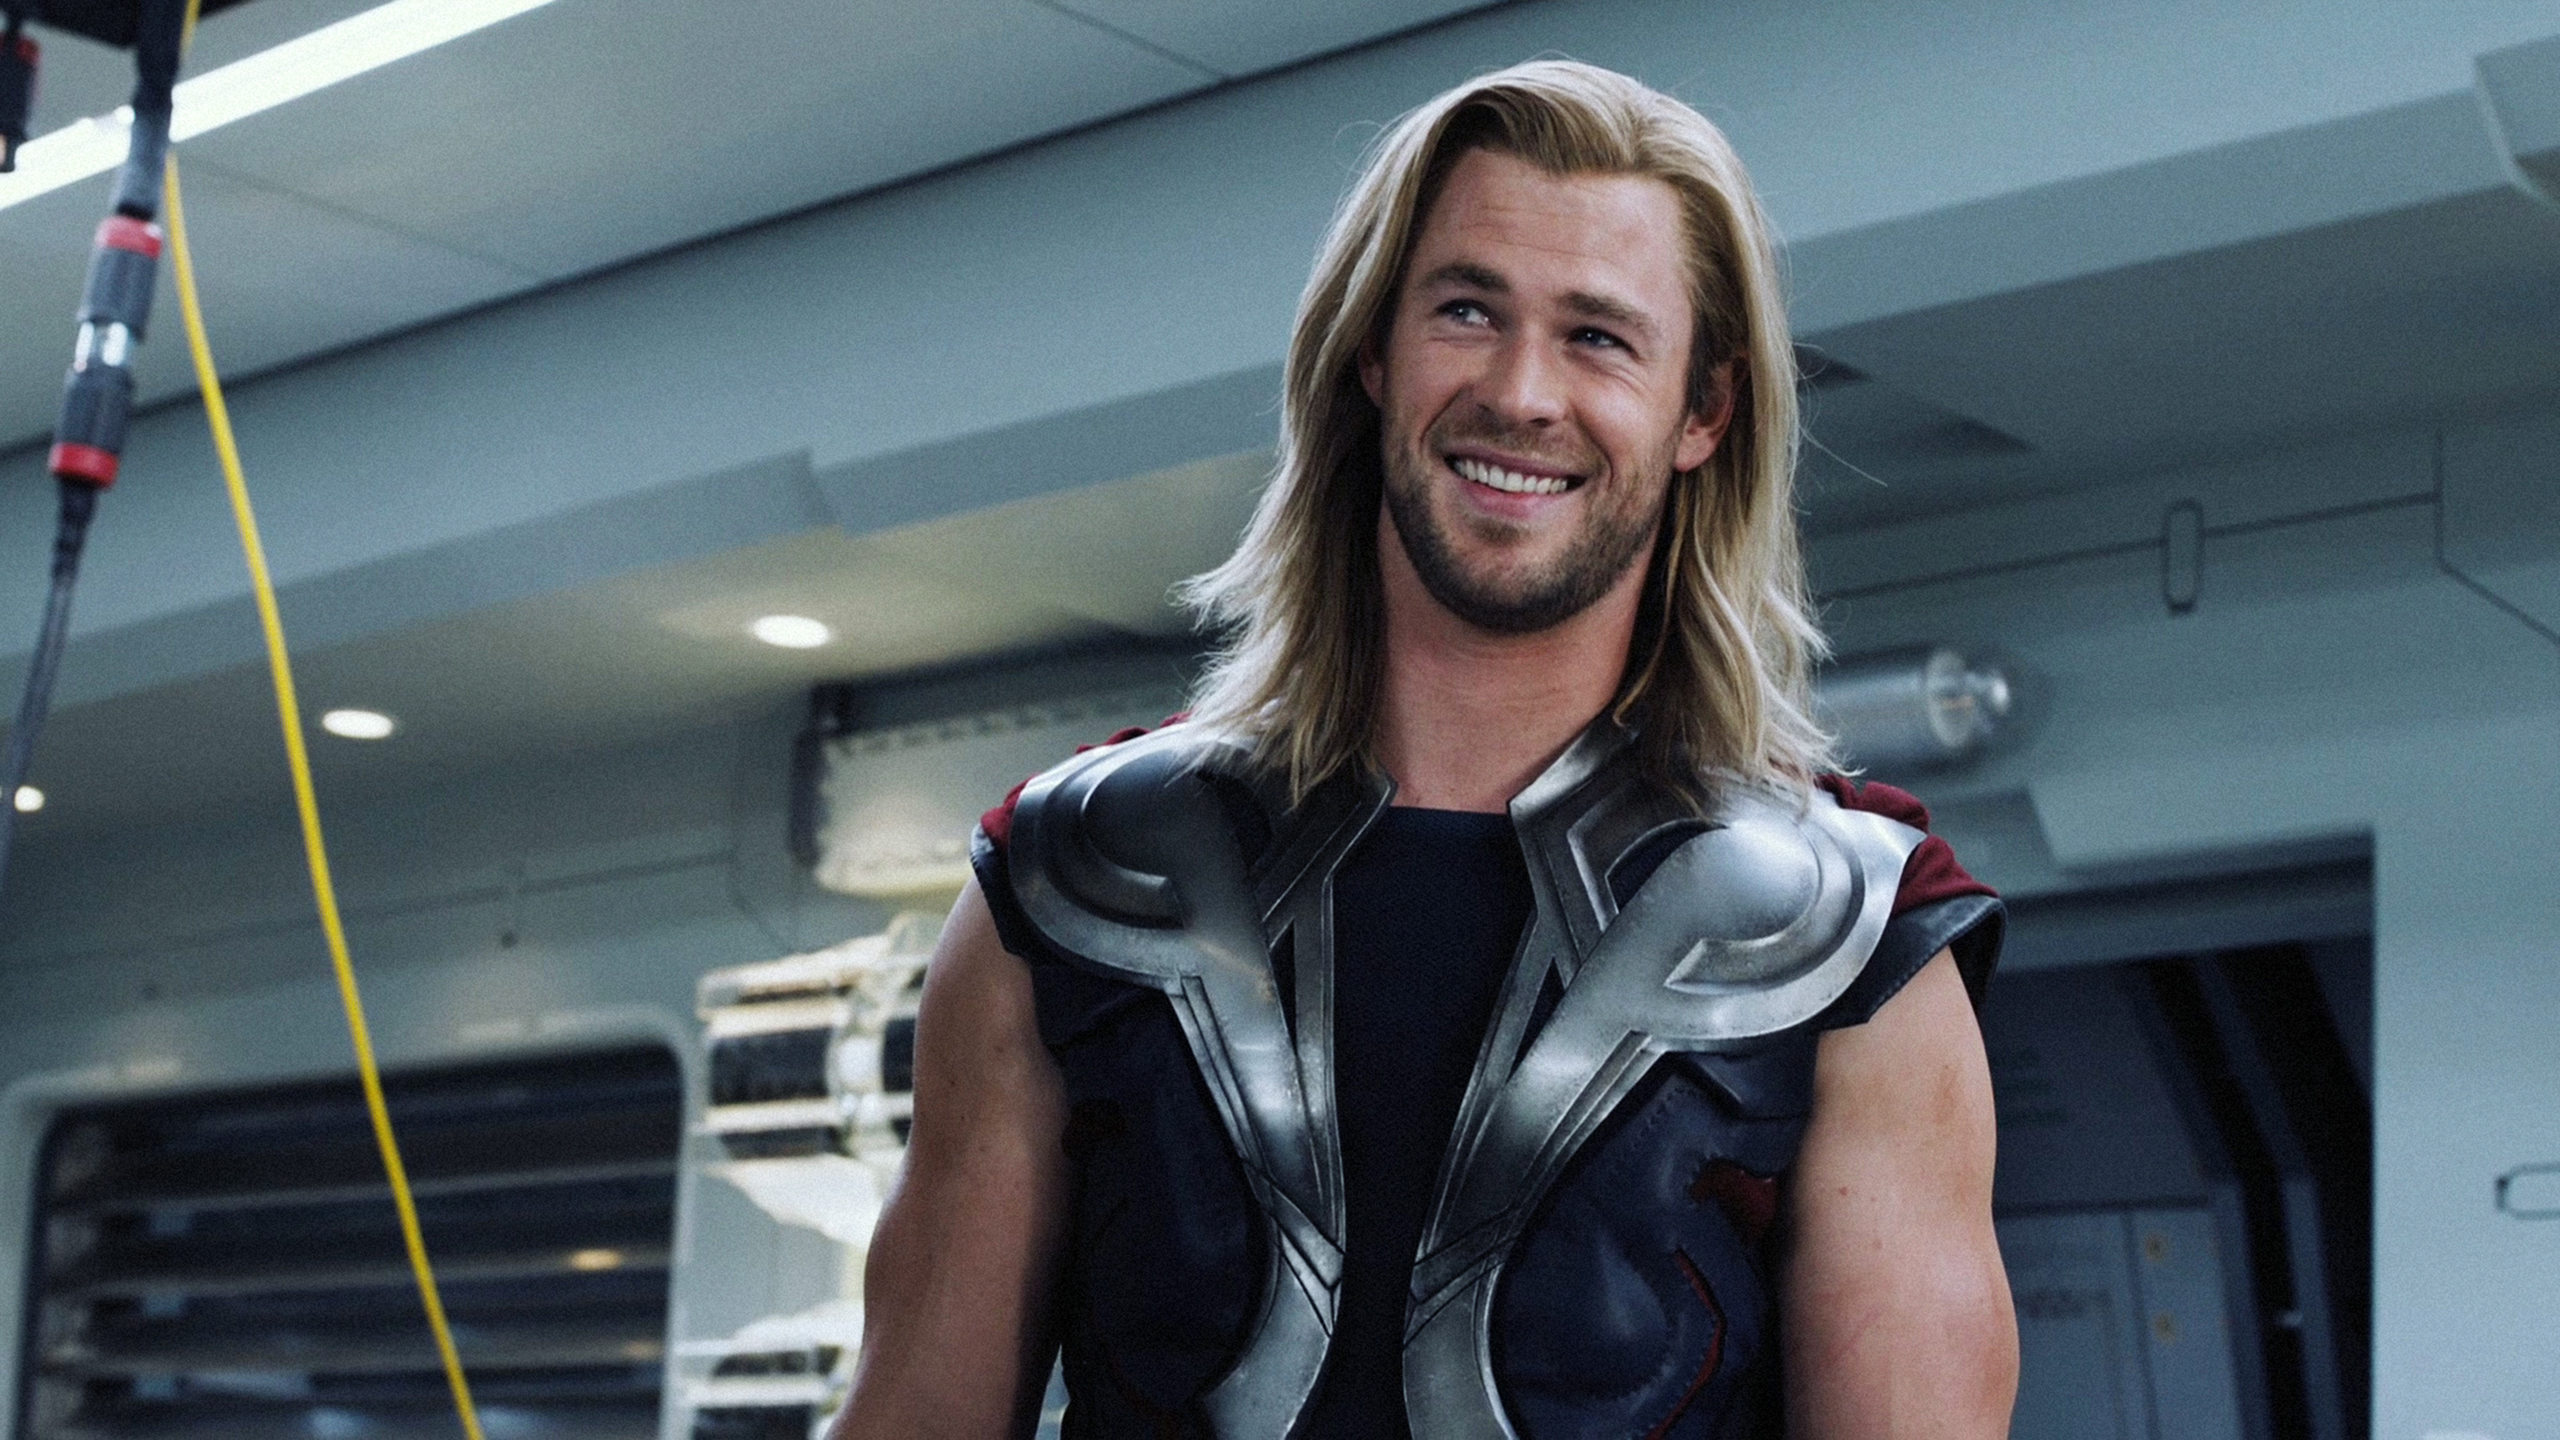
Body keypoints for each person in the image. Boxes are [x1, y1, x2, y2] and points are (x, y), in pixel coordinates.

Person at [836, 60, 2018, 1440]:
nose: (1521, 392)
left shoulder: (1853, 938)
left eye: (1598, 337)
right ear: (1372, 354)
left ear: (1703, 413)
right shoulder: (1071, 882)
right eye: (1467, 310)